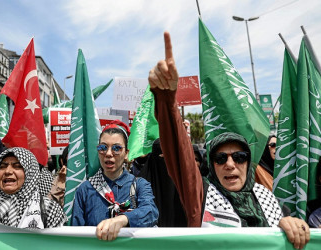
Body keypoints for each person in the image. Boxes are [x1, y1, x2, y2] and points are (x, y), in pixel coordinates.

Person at [148, 31, 309, 249]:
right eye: (220, 158)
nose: (230, 165)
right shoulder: (202, 197)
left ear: (248, 162)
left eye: (239, 157)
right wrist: (166, 100)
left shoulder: (268, 199)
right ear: (212, 165)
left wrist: (288, 222)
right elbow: (180, 154)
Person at [72, 120, 158, 241]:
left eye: (116, 148)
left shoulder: (140, 185)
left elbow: (151, 212)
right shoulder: (85, 190)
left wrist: (123, 219)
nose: (108, 153)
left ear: (126, 154)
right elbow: (76, 234)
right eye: (103, 147)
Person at [139, 138, 187, 227]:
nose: (165, 161)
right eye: (161, 156)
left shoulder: (184, 182)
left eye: (168, 157)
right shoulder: (140, 183)